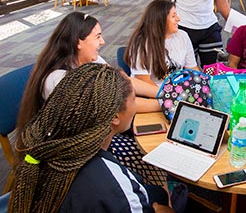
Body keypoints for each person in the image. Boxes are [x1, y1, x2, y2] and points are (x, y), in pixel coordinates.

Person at [16, 12, 165, 186]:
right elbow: (115, 104)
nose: (102, 42)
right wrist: (164, 104)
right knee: (146, 158)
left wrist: (164, 93)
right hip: (73, 150)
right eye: (98, 37)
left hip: (97, 132)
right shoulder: (58, 79)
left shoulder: (90, 59)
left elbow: (123, 85)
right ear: (78, 42)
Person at [9, 63, 173, 213]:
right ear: (115, 117)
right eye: (133, 99)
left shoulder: (44, 145)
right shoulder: (113, 187)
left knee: (156, 192)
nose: (136, 105)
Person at [125, 0, 198, 87]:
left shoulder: (182, 36)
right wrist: (168, 96)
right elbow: (144, 81)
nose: (178, 19)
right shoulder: (142, 44)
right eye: (173, 16)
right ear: (161, 20)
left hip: (178, 91)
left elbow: (192, 69)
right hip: (152, 92)